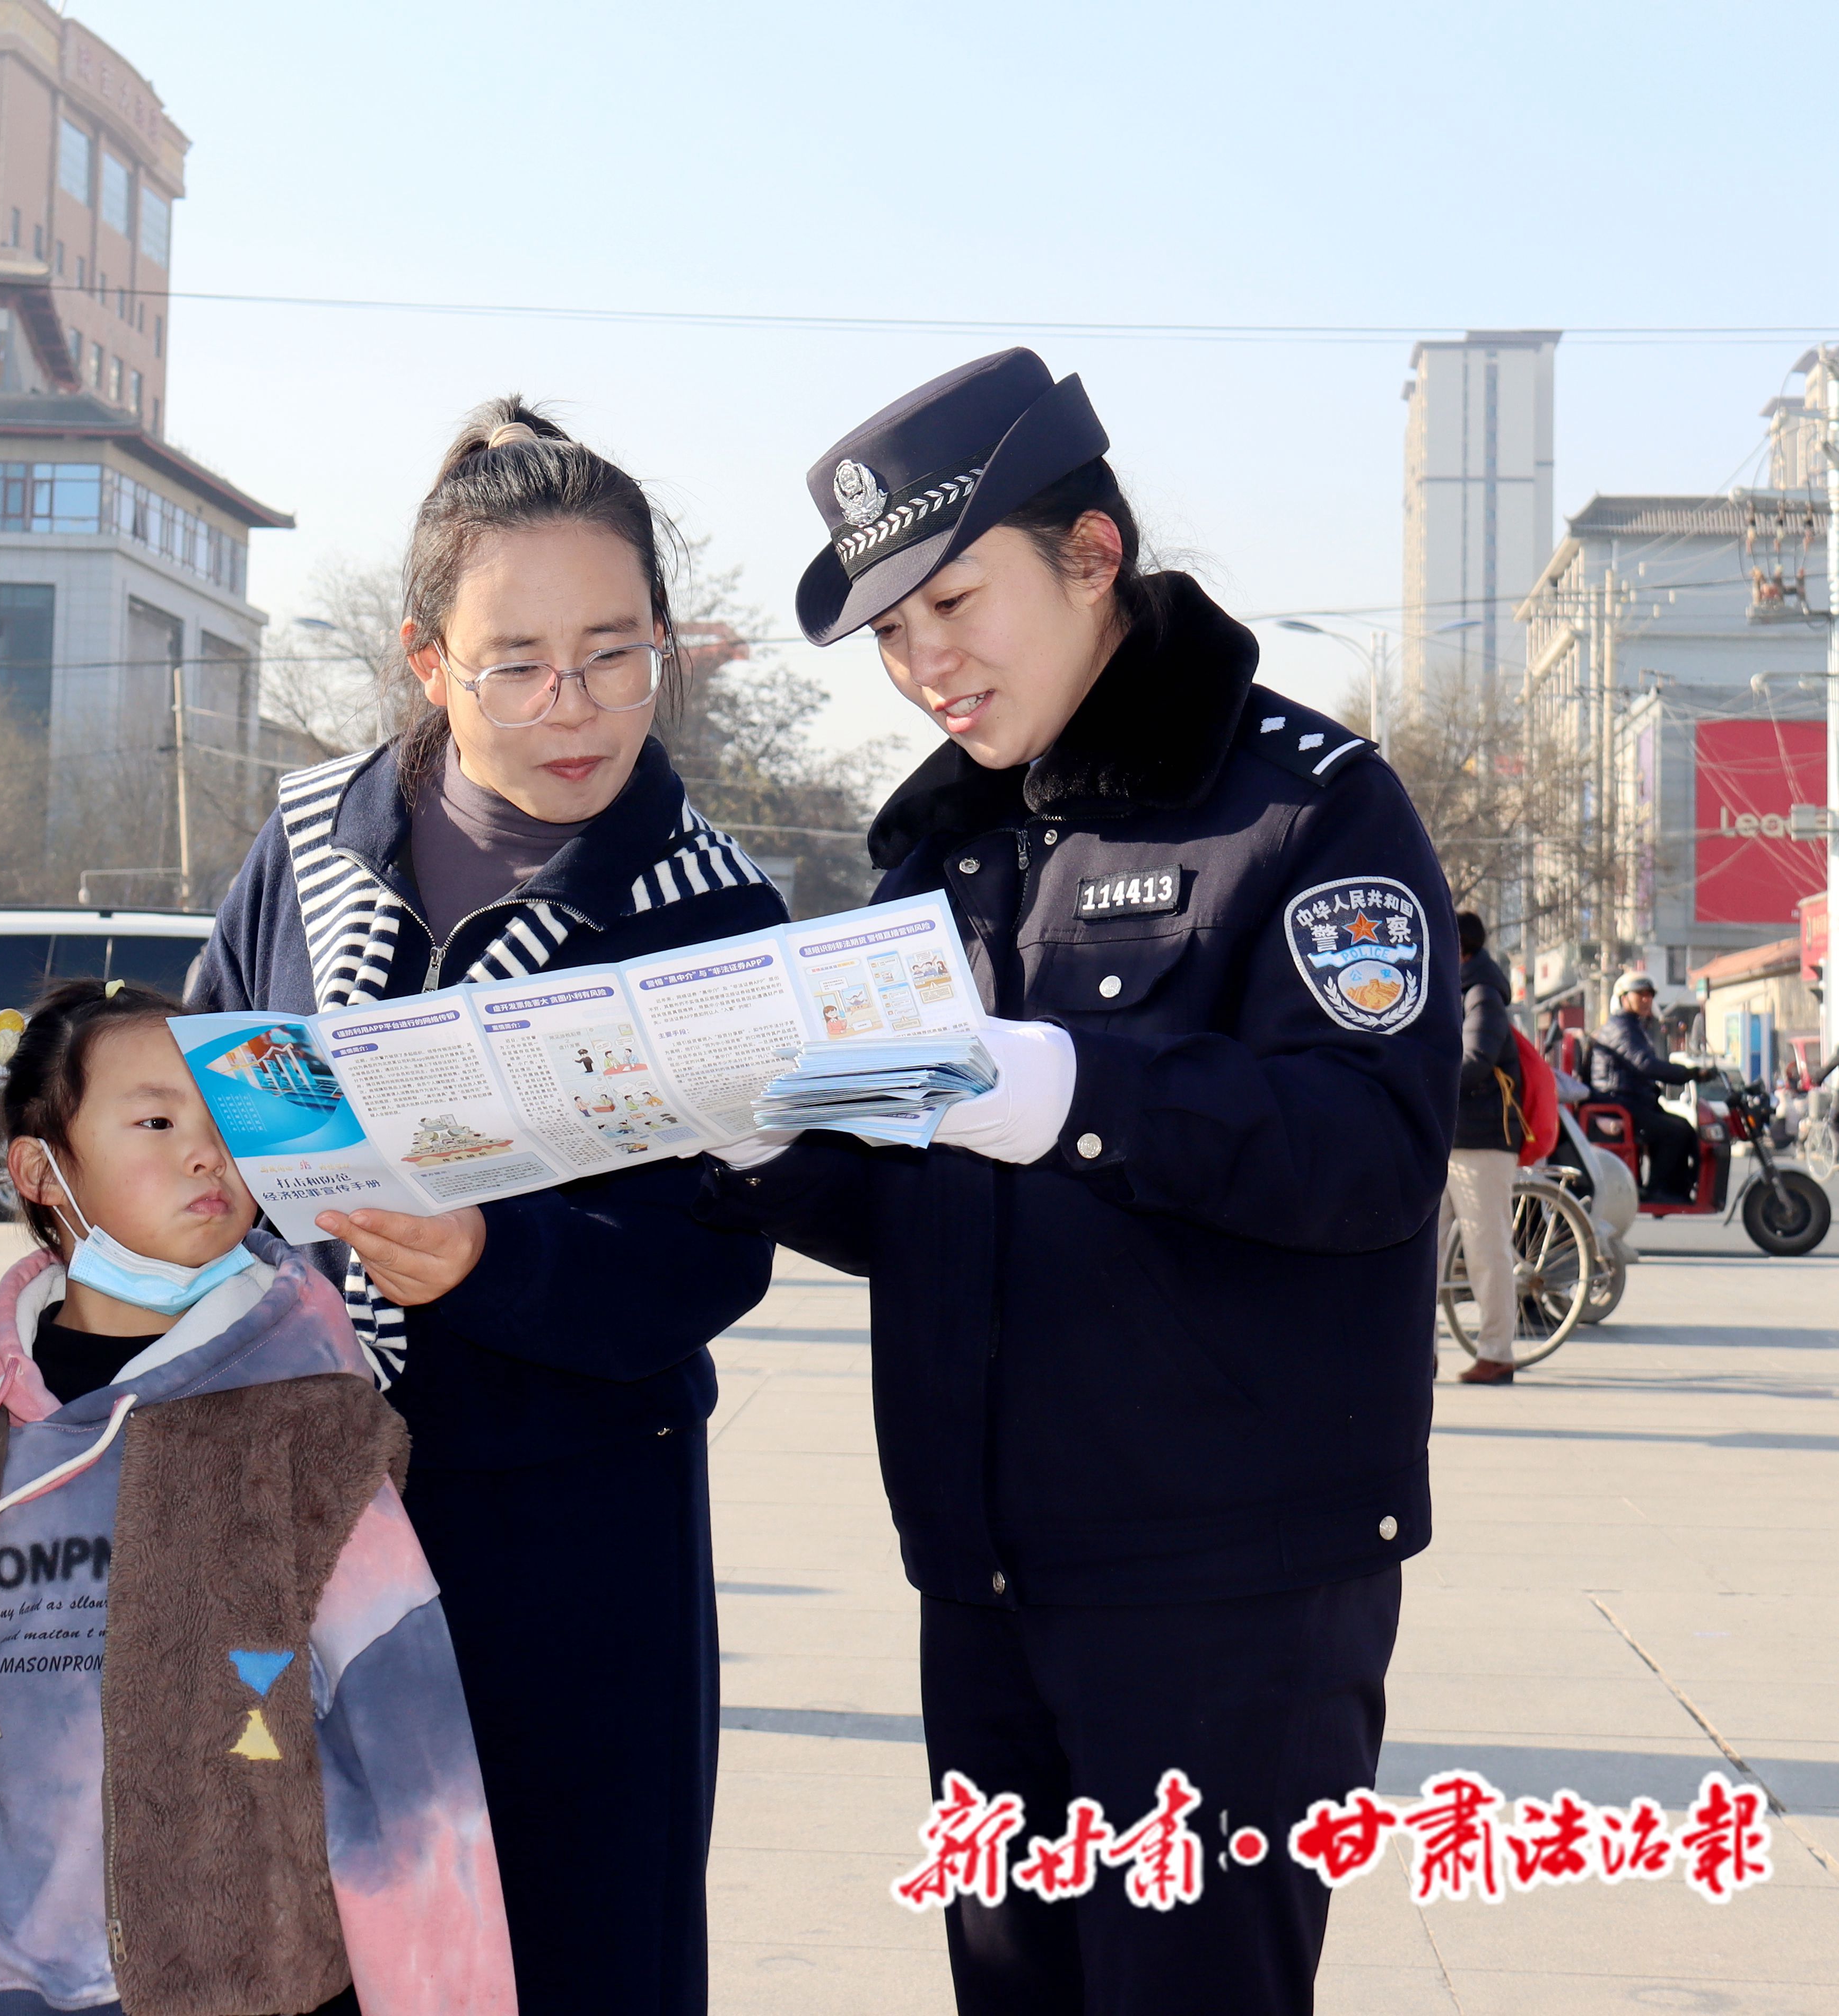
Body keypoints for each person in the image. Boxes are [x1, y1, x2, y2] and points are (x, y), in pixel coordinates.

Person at [699, 350, 1458, 2014]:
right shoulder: (941, 855)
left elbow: (1372, 1151)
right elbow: (925, 1211)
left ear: (1092, 555)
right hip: (982, 1580)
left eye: (952, 602)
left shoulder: (1304, 811)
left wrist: (1073, 1091)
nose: (922, 665)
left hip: (1225, 1592)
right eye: (889, 632)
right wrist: (762, 1147)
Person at [187, 402, 782, 2016]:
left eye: (613, 653)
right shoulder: (312, 840)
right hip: (299, 1516)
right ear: (428, 662)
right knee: (288, 1950)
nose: (571, 706)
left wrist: (489, 1257)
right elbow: (208, 1084)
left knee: (570, 1948)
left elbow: (711, 1252)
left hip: (574, 1544)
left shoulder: (709, 907)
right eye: (515, 662)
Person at [0, 983, 513, 2016]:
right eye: (156, 1122)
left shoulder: (305, 1420)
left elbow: (411, 1754)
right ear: (40, 1171)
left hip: (224, 1973)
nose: (206, 1155)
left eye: (226, 1127)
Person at [1444, 911, 1522, 1385]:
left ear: (1461, 948)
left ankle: (1497, 1352)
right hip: (1451, 1137)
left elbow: (1475, 1060)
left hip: (1483, 1139)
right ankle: (1420, 1354)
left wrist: (1425, 1080)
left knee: (1486, 1250)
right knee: (1425, 1253)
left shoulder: (1482, 994)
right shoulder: (1455, 990)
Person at [1587, 972, 1709, 1202]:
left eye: (1650, 995)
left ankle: (1678, 1188)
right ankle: (1658, 1191)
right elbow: (1645, 1064)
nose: (1646, 999)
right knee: (1674, 1132)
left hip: (1634, 1101)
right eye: (1640, 994)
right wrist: (1689, 1074)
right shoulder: (1621, 1028)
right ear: (1624, 998)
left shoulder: (1634, 1027)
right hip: (1619, 1102)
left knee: (1685, 1127)